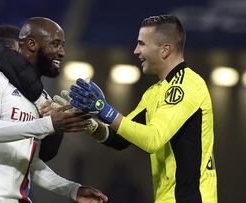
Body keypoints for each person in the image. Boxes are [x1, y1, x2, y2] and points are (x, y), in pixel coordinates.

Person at [0, 18, 108, 203]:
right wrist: (48, 124)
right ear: (30, 44)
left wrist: (72, 190)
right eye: (56, 44)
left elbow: (29, 162)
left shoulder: (40, 99)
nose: (62, 52)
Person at [67, 15, 217, 203]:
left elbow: (152, 139)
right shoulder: (154, 92)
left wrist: (102, 107)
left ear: (165, 50)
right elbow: (121, 137)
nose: (136, 51)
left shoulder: (187, 85)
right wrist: (90, 124)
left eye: (142, 44)